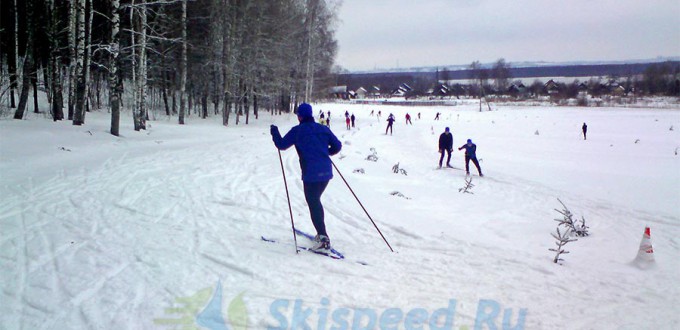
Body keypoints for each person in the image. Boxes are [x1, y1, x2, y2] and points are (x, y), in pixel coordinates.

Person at [270, 103, 342, 252]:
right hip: (326, 173)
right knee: (315, 200)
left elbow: (282, 145)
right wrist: (325, 153)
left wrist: (275, 132)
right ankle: (321, 234)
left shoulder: (297, 131)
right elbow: (337, 146)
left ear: (299, 116)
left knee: (314, 202)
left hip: (311, 174)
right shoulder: (323, 129)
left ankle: (323, 238)